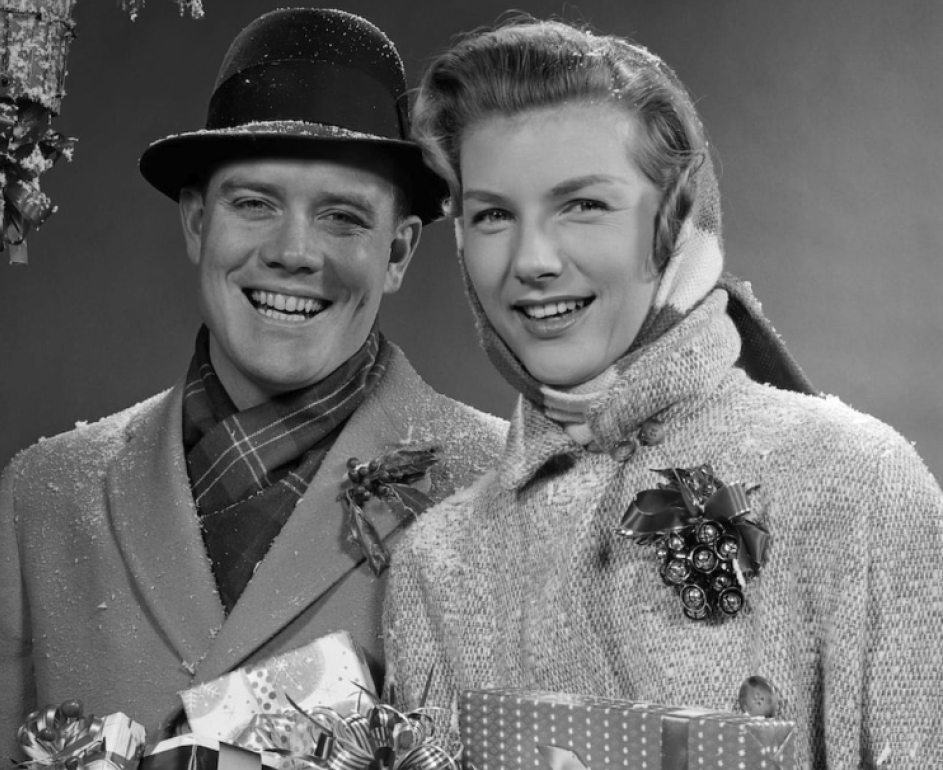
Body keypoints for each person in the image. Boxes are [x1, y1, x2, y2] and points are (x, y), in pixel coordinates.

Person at [0, 9, 507, 768]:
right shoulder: (42, 498)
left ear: (398, 252)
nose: (294, 252)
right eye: (254, 204)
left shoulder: (501, 488)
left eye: (343, 217)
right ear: (197, 223)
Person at [382, 18, 943, 769]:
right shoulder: (435, 562)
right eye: (492, 215)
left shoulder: (858, 482)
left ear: (673, 220)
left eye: (582, 204)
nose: (532, 260)